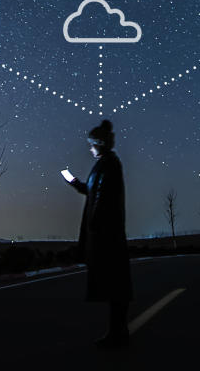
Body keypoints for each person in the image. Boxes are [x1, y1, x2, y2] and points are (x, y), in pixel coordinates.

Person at [65, 119, 133, 348]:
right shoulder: (106, 163)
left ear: (99, 143)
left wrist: (94, 227)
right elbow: (94, 190)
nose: (90, 148)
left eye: (91, 144)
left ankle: (118, 333)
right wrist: (74, 182)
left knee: (115, 283)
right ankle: (117, 331)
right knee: (115, 284)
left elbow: (102, 198)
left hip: (106, 234)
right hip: (106, 232)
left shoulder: (109, 164)